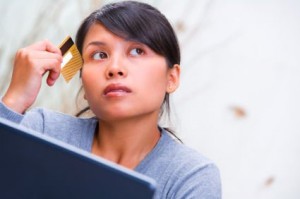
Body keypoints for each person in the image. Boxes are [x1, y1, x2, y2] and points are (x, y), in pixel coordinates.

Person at [0, 1, 221, 198]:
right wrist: (14, 99)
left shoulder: (191, 177)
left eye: (137, 51)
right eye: (99, 55)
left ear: (171, 78)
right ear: (83, 83)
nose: (114, 68)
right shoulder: (42, 130)